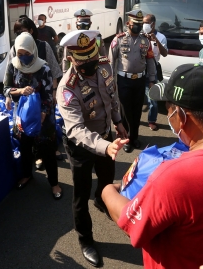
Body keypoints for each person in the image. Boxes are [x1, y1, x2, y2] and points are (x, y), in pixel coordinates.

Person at [102, 64, 203, 269]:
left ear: (181, 116)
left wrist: (109, 190)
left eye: (168, 110)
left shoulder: (176, 177)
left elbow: (131, 224)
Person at [57, 30, 129, 267]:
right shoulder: (67, 88)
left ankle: (102, 200)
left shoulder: (104, 66)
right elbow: (76, 130)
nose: (91, 64)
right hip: (82, 148)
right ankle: (85, 239)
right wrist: (106, 146)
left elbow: (112, 95)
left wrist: (118, 122)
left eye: (93, 58)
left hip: (107, 137)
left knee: (108, 180)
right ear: (71, 59)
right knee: (80, 194)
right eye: (84, 61)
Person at [3, 33, 62, 197]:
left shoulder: (44, 69)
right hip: (22, 116)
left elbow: (49, 95)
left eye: (27, 54)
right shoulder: (13, 66)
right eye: (20, 54)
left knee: (47, 150)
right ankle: (27, 175)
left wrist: (42, 114)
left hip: (43, 117)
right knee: (25, 148)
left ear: (33, 51)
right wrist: (20, 91)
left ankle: (54, 184)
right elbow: (6, 88)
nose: (23, 58)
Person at [8, 17, 63, 163]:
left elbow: (54, 71)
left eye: (23, 31)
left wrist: (54, 92)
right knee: (27, 131)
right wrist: (11, 95)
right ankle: (37, 157)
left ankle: (50, 153)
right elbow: (9, 80)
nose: (20, 35)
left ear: (31, 31)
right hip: (24, 104)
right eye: (17, 32)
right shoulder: (15, 49)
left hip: (43, 98)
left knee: (46, 129)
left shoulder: (44, 47)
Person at [109, 10, 156, 153]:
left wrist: (152, 79)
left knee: (136, 111)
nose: (138, 26)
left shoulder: (145, 41)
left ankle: (134, 137)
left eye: (140, 24)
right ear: (128, 23)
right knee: (125, 111)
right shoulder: (118, 39)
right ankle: (126, 139)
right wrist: (110, 82)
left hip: (140, 80)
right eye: (135, 24)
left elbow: (150, 61)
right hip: (124, 80)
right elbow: (111, 61)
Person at [142, 13, 168, 131]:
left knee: (153, 99)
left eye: (147, 22)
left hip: (153, 70)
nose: (144, 25)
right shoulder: (140, 35)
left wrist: (155, 40)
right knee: (137, 98)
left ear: (153, 24)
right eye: (143, 22)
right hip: (139, 69)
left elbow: (164, 53)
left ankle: (152, 121)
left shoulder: (161, 37)